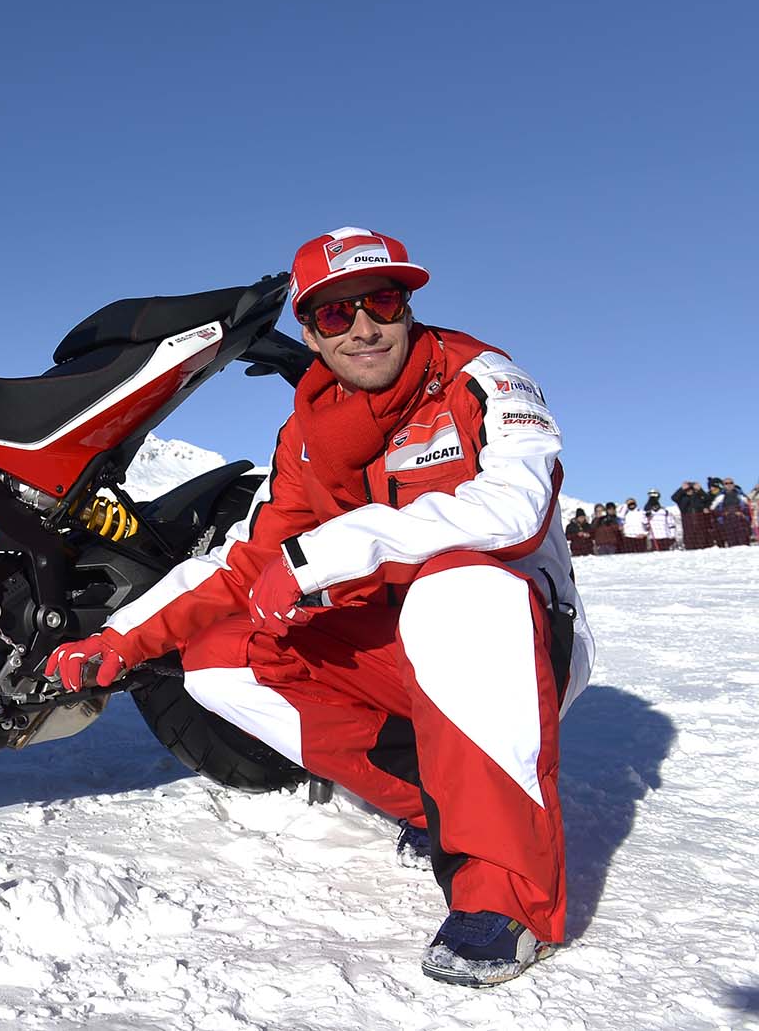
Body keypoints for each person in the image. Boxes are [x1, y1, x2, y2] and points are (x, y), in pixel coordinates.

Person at [44, 227, 592, 987]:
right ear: (308, 331)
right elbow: (244, 559)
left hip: (514, 644)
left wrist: (329, 551)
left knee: (456, 587)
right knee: (221, 657)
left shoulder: (481, 378)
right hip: (396, 652)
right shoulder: (307, 432)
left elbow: (514, 508)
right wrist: (118, 639)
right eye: (335, 313)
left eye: (381, 301)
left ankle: (506, 896)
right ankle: (436, 801)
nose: (362, 327)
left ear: (407, 306)